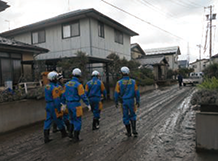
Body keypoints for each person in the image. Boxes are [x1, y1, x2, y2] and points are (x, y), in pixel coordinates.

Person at [64, 68, 91, 142]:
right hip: (76, 104)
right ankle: (76, 138)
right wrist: (88, 104)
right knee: (78, 121)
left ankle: (70, 134)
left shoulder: (66, 84)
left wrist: (63, 104)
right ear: (79, 75)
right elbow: (83, 95)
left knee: (72, 119)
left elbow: (63, 95)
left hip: (68, 104)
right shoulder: (78, 85)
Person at [114, 66, 140, 137]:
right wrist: (138, 101)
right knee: (133, 115)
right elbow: (137, 92)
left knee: (125, 116)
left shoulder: (119, 83)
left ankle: (129, 132)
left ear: (122, 73)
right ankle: (134, 130)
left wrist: (116, 102)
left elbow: (116, 93)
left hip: (123, 102)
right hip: (131, 101)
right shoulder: (133, 81)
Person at [43, 71, 67, 144]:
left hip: (47, 105)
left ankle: (46, 137)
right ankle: (64, 133)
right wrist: (59, 109)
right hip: (53, 105)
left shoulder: (46, 86)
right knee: (58, 119)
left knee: (47, 120)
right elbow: (56, 100)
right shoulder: (54, 88)